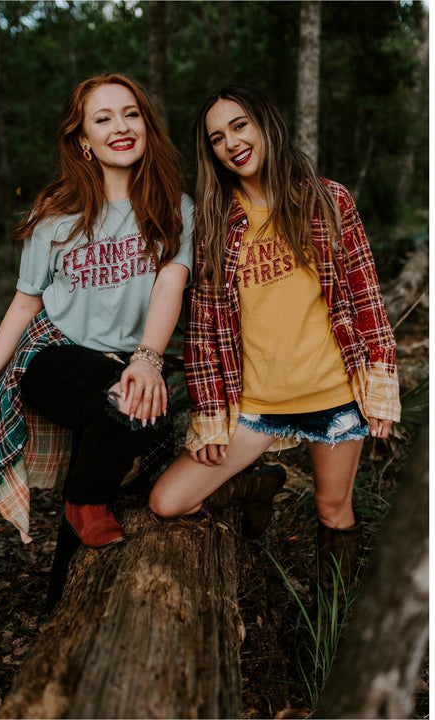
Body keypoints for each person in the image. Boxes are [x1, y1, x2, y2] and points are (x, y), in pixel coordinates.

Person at [149, 84, 400, 593]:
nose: (231, 143)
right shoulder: (216, 223)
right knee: (167, 502)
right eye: (217, 138)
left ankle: (329, 632)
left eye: (239, 126)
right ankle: (252, 484)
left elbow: (366, 296)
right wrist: (211, 418)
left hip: (334, 398)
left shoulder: (328, 200)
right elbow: (202, 334)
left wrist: (379, 383)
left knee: (334, 511)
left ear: (266, 124)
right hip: (256, 405)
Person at [0, 73, 194, 552]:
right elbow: (27, 300)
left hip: (129, 360)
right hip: (52, 355)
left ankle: (70, 565)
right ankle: (86, 503)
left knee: (134, 410)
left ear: (147, 126)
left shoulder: (176, 208)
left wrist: (147, 359)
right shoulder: (56, 212)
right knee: (124, 401)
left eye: (131, 114)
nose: (120, 127)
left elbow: (172, 280)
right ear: (83, 139)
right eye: (102, 119)